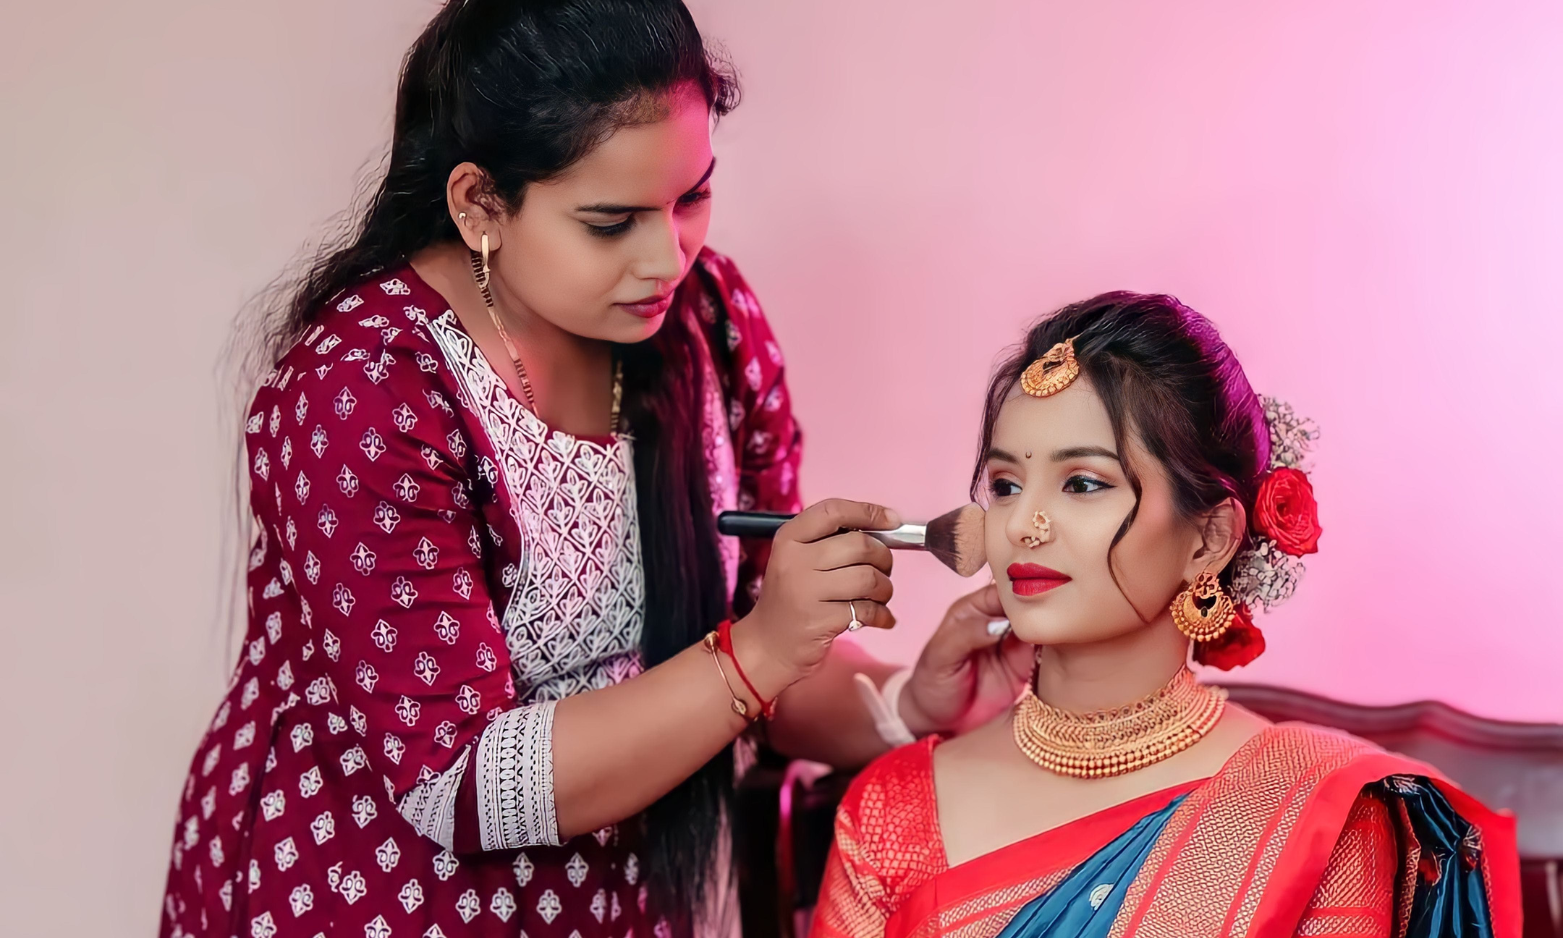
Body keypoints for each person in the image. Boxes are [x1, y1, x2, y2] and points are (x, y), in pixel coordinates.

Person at [158, 3, 1031, 936]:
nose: (666, 258)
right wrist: (760, 650)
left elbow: (754, 650)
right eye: (611, 223)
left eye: (691, 197)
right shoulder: (364, 389)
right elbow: (458, 782)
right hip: (369, 898)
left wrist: (906, 702)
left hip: (627, 908)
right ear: (479, 205)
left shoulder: (710, 321)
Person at [811, 293, 1522, 938]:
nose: (1022, 525)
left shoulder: (1314, 813)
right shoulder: (894, 810)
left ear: (1208, 539)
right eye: (1004, 485)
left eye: (1082, 483)